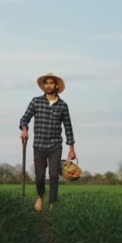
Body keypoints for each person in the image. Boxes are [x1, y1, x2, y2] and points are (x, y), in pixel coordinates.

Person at [19, 73, 77, 212]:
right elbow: (24, 119)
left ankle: (52, 205)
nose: (48, 85)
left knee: (53, 175)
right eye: (46, 83)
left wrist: (71, 148)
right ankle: (40, 197)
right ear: (44, 86)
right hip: (39, 145)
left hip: (55, 145)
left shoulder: (63, 106)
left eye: (51, 83)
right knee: (39, 177)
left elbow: (68, 127)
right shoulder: (35, 102)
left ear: (56, 85)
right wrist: (24, 129)